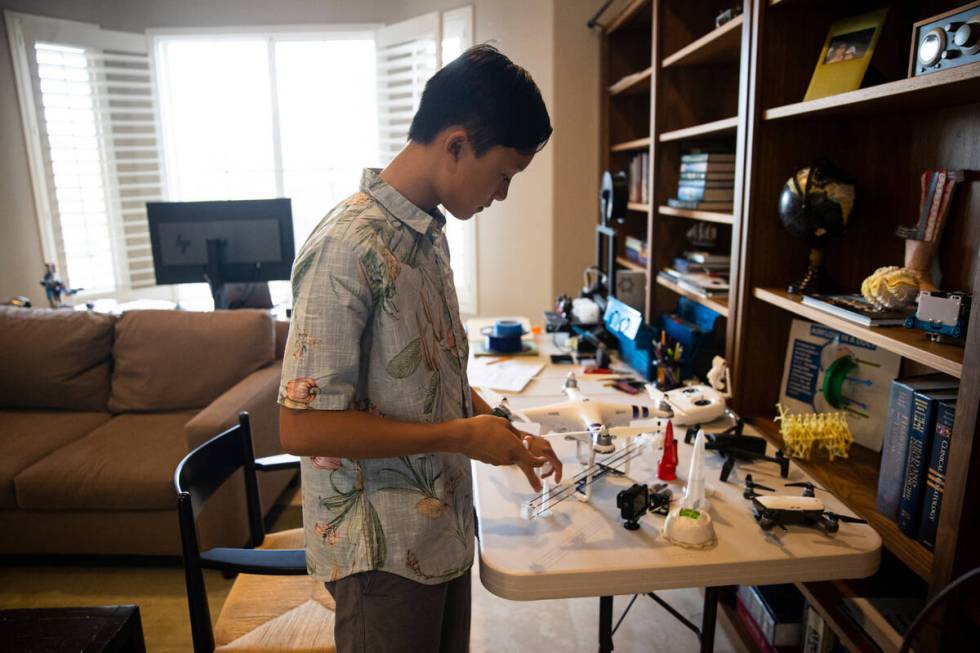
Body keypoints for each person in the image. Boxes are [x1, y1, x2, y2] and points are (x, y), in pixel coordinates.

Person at [278, 43, 561, 653]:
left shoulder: (427, 236)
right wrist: (462, 437)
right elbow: (303, 430)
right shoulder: (346, 246)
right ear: (456, 144)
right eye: (504, 175)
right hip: (381, 551)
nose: (503, 195)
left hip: (440, 532)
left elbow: (434, 380)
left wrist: (497, 426)